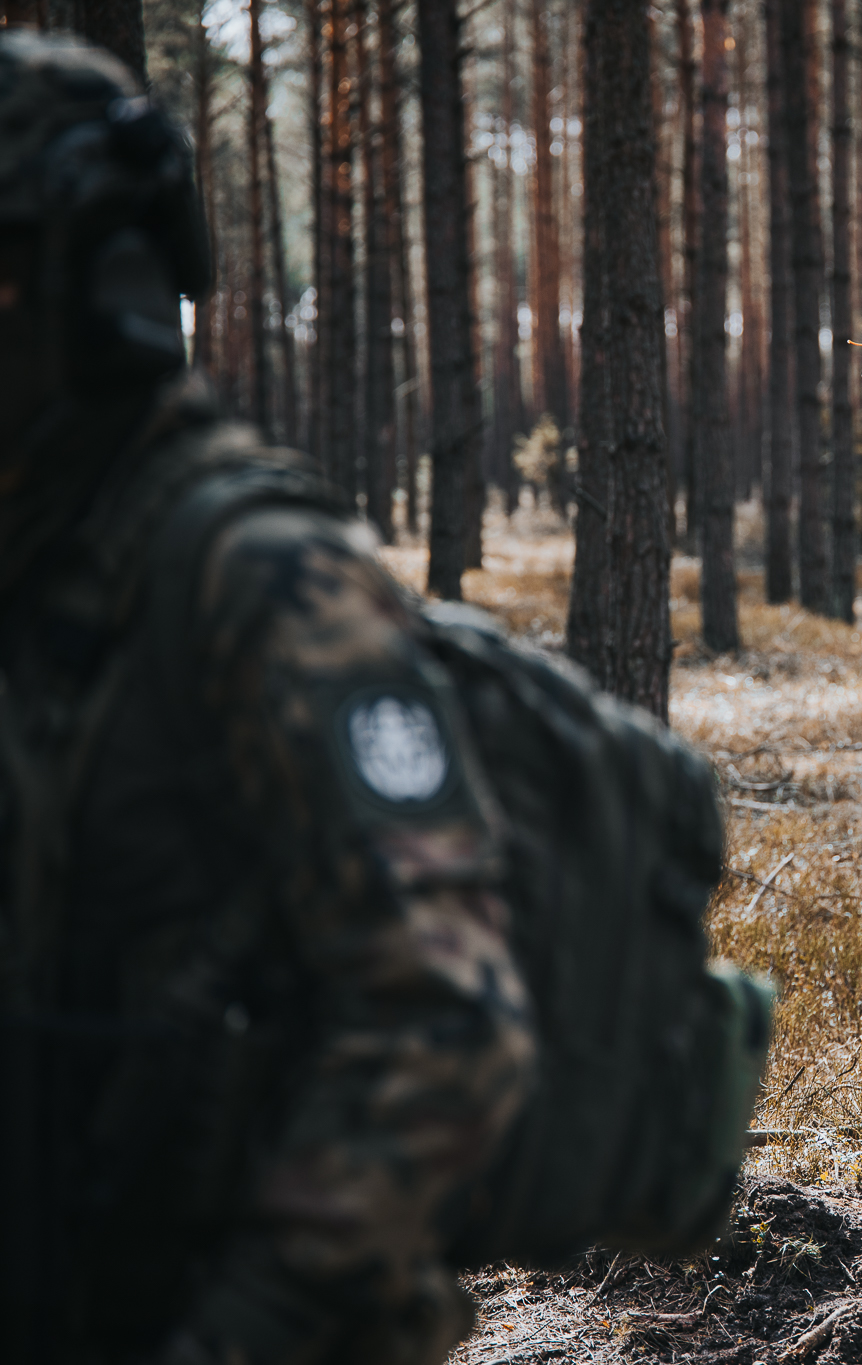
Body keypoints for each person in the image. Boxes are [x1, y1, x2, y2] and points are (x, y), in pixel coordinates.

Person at [0, 32, 533, 1364]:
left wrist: (239, 1335)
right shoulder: (44, 555)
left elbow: (448, 1021)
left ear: (96, 293)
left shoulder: (259, 578)